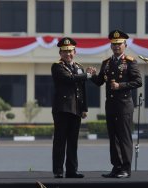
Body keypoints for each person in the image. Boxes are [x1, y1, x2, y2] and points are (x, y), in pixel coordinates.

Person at [91, 29, 142, 178]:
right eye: (114, 44)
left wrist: (121, 86)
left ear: (125, 45)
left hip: (124, 105)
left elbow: (138, 82)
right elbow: (100, 81)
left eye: (119, 44)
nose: (116, 47)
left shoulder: (130, 62)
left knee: (124, 137)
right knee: (113, 137)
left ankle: (126, 168)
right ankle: (116, 167)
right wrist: (92, 75)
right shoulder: (106, 63)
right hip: (111, 105)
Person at [51, 37, 93, 178]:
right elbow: (69, 79)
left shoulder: (79, 67)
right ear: (60, 53)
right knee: (60, 141)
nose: (68, 54)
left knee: (73, 142)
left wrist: (84, 108)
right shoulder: (57, 66)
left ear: (75, 51)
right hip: (62, 109)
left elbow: (82, 90)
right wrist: (87, 75)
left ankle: (71, 170)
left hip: (76, 109)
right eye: (65, 51)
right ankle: (58, 170)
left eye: (70, 51)